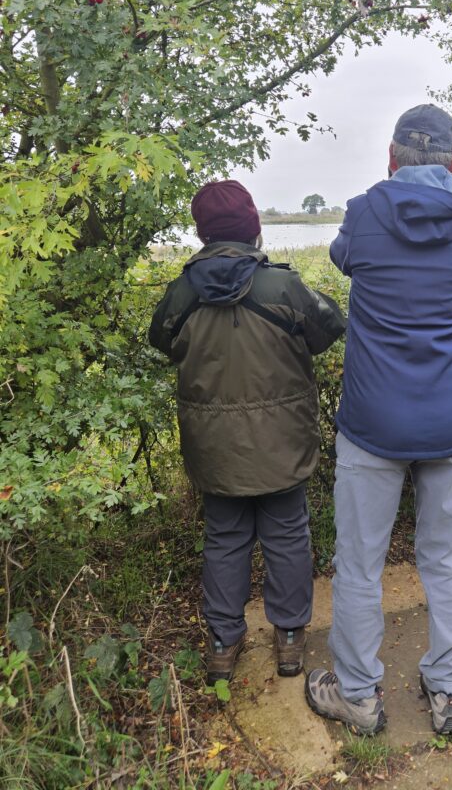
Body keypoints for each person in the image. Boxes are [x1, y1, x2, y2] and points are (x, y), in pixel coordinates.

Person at [304, 105, 452, 737]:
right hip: (449, 424)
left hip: (372, 423)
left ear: (391, 157)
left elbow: (343, 259)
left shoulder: (364, 213)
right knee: (444, 562)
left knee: (360, 565)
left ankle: (359, 696)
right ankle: (447, 691)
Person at [149, 180, 345, 685]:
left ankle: (222, 643)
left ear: (201, 232)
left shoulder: (182, 293)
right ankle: (288, 641)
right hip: (283, 442)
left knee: (225, 539)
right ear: (255, 226)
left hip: (214, 450)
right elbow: (329, 328)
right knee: (286, 535)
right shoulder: (282, 287)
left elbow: (163, 343)